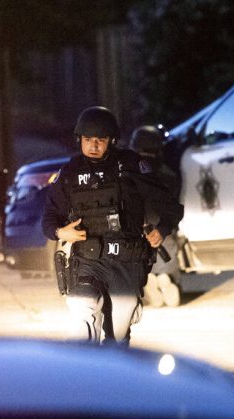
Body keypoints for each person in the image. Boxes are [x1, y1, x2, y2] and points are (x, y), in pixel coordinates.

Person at [42, 106, 183, 344]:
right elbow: (48, 218)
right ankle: (83, 378)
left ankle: (112, 377)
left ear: (112, 141)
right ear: (80, 140)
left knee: (117, 339)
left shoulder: (131, 166)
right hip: (87, 261)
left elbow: (170, 205)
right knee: (83, 317)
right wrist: (60, 232)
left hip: (126, 262)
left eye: (100, 140)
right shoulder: (69, 174)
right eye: (88, 139)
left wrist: (163, 229)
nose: (94, 145)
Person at [129, 124, 183, 308]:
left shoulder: (129, 171)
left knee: (140, 257)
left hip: (138, 228)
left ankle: (149, 279)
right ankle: (166, 278)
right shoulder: (169, 174)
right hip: (163, 227)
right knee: (169, 246)